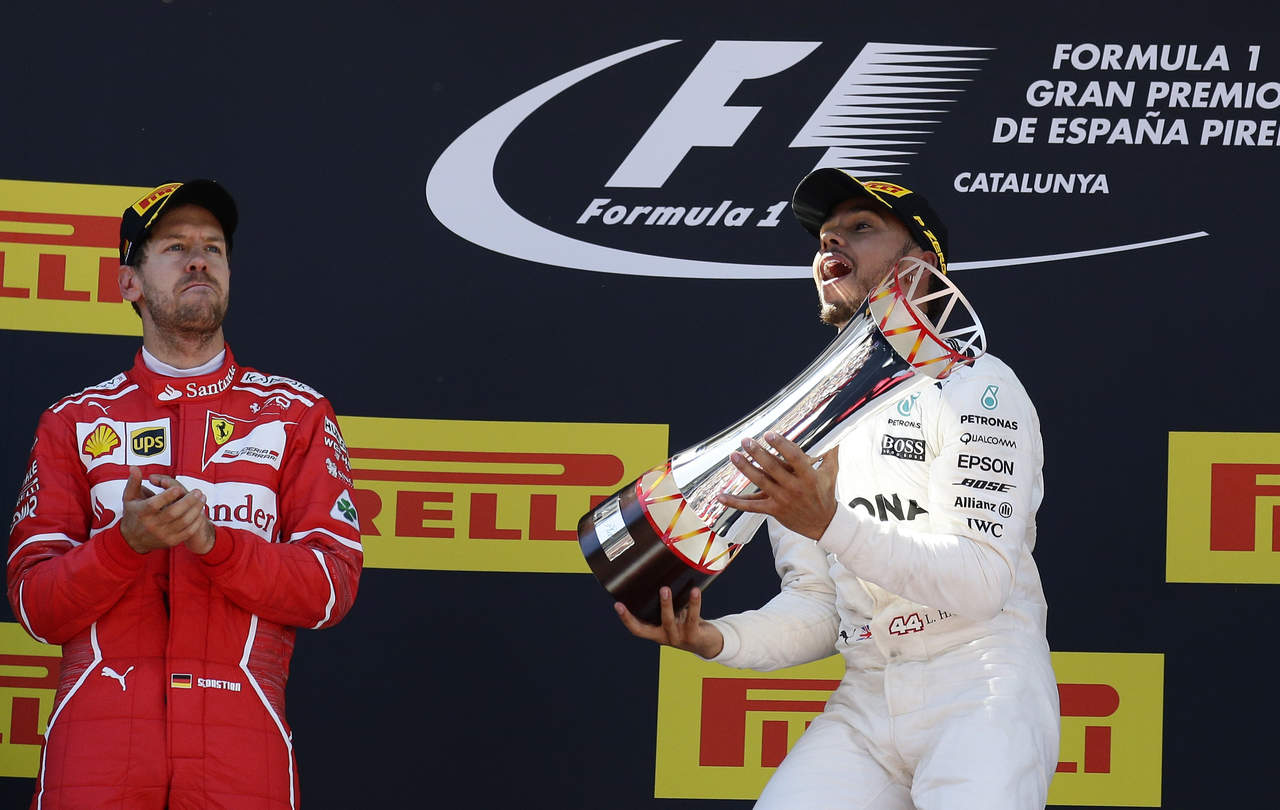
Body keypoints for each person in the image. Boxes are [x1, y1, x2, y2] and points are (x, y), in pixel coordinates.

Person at [617, 169, 1059, 809]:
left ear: (920, 263)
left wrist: (829, 523)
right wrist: (717, 638)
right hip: (867, 698)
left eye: (861, 227)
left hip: (983, 684)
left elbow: (980, 584)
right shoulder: (808, 417)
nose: (831, 243)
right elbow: (821, 607)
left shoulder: (979, 385)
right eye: (824, 236)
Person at [6, 180, 364, 810]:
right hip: (95, 764)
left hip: (241, 760)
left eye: (213, 248)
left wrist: (213, 543)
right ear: (130, 283)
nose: (199, 260)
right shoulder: (73, 421)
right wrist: (124, 545)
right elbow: (35, 607)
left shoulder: (296, 415)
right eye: (175, 247)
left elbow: (329, 589)